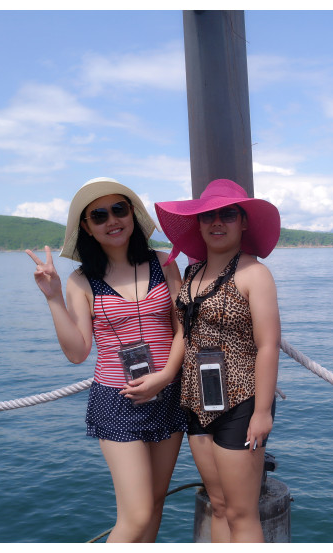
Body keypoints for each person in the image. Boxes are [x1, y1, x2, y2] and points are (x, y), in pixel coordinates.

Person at [24, 178, 192, 543]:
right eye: (99, 215)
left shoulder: (164, 263)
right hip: (117, 400)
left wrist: (166, 375)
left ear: (132, 214)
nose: (112, 220)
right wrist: (53, 297)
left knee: (155, 504)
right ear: (86, 227)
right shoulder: (81, 281)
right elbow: (78, 352)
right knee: (137, 514)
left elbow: (184, 328)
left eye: (119, 209)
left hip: (168, 391)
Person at [154, 179, 285, 542]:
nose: (216, 222)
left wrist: (262, 412)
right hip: (196, 400)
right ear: (198, 224)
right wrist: (164, 375)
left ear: (243, 223)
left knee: (242, 513)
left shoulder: (254, 274)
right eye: (207, 215)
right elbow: (184, 333)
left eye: (227, 214)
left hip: (242, 402)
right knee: (219, 505)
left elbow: (268, 345)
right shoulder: (193, 273)